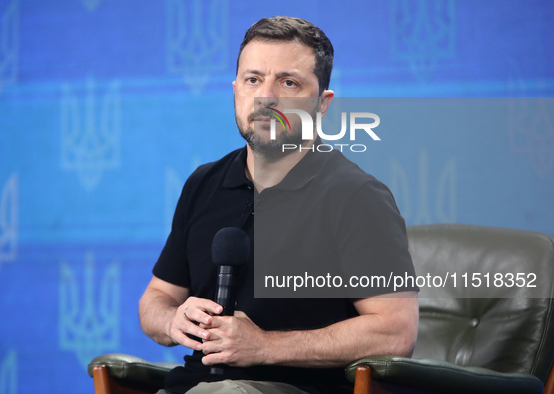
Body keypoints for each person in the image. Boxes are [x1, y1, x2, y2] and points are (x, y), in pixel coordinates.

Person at [139, 16, 419, 394]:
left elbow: (395, 332)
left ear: (322, 103)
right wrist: (174, 320)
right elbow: (155, 300)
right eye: (253, 79)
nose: (266, 96)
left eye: (288, 82)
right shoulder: (204, 183)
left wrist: (266, 346)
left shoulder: (357, 196)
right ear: (236, 89)